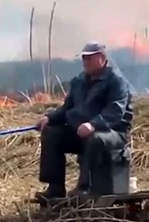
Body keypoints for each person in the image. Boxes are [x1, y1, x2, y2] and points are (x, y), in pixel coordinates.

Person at [35, 41, 134, 199]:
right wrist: (50, 118)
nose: (85, 62)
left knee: (94, 139)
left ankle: (85, 187)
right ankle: (55, 187)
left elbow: (116, 111)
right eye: (84, 59)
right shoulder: (79, 82)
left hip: (113, 132)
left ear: (102, 58)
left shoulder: (116, 81)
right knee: (52, 135)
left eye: (89, 58)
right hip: (81, 132)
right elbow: (67, 108)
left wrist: (93, 124)